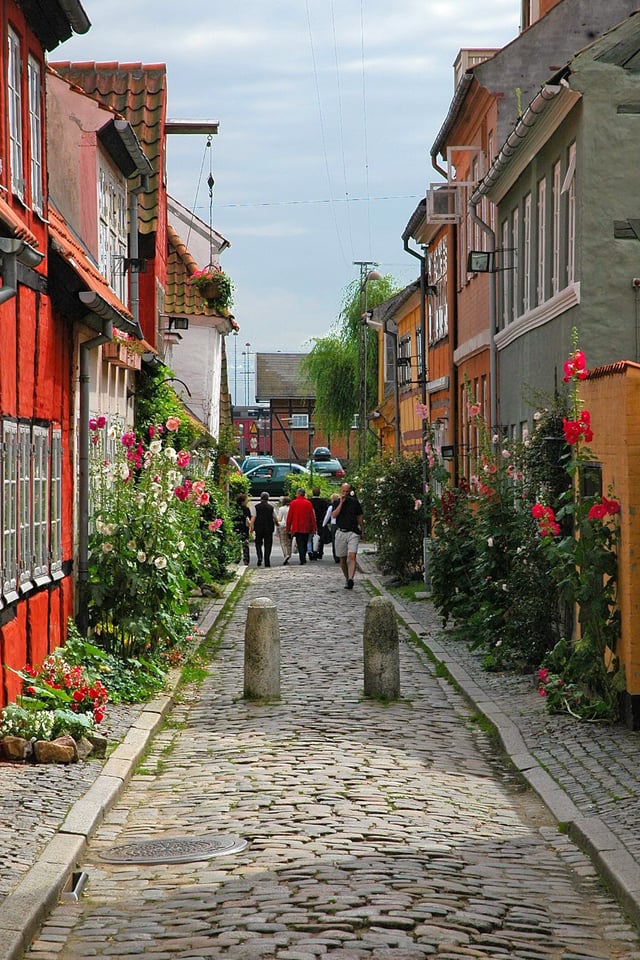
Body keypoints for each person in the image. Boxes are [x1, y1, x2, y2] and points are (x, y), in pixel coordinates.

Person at [332, 482, 364, 590]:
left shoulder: (355, 503)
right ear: (341, 491)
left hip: (352, 532)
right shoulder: (336, 502)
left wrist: (362, 529)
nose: (345, 493)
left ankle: (351, 578)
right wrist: (341, 503)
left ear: (350, 491)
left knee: (352, 556)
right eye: (343, 491)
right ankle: (346, 578)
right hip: (341, 531)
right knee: (342, 558)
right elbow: (334, 515)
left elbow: (359, 516)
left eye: (347, 491)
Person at [286, 488, 317, 564]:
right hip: (306, 526)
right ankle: (303, 557)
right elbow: (312, 516)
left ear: (298, 494)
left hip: (297, 526)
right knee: (305, 542)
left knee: (300, 543)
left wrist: (288, 528)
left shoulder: (293, 503)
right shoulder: (308, 503)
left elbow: (290, 516)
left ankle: (302, 558)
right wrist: (314, 528)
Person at [250, 491, 276, 567]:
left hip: (259, 528)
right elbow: (275, 518)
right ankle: (267, 561)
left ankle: (260, 557)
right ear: (268, 499)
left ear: (260, 498)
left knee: (258, 543)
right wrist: (277, 524)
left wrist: (251, 527)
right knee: (268, 544)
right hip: (268, 528)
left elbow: (253, 517)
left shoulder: (256, 507)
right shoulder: (271, 507)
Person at [310, 487, 330, 560]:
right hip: (321, 521)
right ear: (319, 493)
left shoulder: (309, 501)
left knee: (312, 537)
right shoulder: (323, 502)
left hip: (312, 522)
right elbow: (326, 512)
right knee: (321, 537)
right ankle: (320, 552)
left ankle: (313, 552)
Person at [233, 492, 251, 565]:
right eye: (246, 500)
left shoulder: (234, 508)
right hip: (244, 528)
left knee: (237, 543)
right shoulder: (246, 509)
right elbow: (248, 518)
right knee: (245, 544)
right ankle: (246, 559)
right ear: (243, 501)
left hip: (236, 527)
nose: (247, 501)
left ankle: (237, 558)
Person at [323, 494, 341, 564]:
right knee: (340, 541)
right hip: (340, 525)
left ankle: (336, 557)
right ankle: (341, 555)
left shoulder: (331, 507)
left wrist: (323, 525)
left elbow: (327, 516)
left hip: (334, 525)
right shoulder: (341, 506)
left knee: (334, 541)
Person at [276, 496, 292, 565]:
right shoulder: (292, 508)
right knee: (289, 542)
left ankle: (285, 555)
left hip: (282, 526)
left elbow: (279, 518)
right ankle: (289, 553)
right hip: (290, 526)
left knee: (283, 542)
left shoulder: (281, 509)